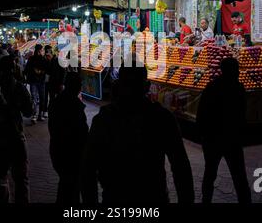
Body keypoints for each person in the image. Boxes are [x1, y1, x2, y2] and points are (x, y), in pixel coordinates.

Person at [82, 61, 195, 204]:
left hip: (115, 199)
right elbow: (181, 167)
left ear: (118, 85)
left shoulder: (104, 119)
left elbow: (88, 169)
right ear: (147, 87)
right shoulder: (162, 118)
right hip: (153, 197)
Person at [197, 57, 252, 203]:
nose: (239, 72)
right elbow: (242, 114)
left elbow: (201, 112)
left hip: (213, 138)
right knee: (239, 175)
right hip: (231, 138)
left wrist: (203, 134)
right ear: (233, 70)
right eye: (237, 69)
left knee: (210, 172)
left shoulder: (212, 86)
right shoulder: (238, 88)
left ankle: (206, 200)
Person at [0, 55, 34, 203]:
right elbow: (29, 111)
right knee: (21, 179)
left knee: (1, 179)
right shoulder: (18, 87)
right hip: (15, 137)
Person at [48, 72, 89, 203]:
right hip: (71, 154)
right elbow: (81, 133)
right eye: (79, 84)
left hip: (58, 151)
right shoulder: (74, 106)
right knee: (71, 188)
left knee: (66, 186)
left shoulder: (57, 102)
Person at [24, 44, 47, 122]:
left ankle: (35, 115)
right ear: (40, 50)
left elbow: (26, 69)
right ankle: (38, 115)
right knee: (40, 98)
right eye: (41, 50)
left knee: (35, 98)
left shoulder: (32, 59)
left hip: (35, 81)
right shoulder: (42, 59)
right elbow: (46, 69)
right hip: (39, 81)